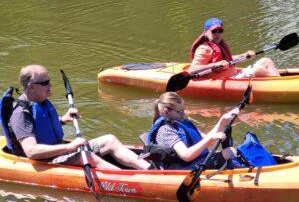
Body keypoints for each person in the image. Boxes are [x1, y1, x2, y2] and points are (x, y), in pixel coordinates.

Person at [3, 65, 150, 170]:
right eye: (44, 83)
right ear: (31, 87)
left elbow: (41, 126)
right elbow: (31, 151)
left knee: (109, 140)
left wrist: (63, 119)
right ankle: (127, 181)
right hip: (45, 161)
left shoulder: (39, 102)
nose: (50, 85)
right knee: (86, 156)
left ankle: (150, 169)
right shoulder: (20, 114)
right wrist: (68, 146)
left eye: (49, 80)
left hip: (58, 149)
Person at [145, 91, 238, 170]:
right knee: (229, 152)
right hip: (184, 170)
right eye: (180, 111)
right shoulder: (165, 131)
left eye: (183, 110)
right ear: (166, 112)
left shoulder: (182, 123)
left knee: (230, 151)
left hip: (198, 162)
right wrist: (209, 138)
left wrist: (223, 121)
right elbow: (186, 155)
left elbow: (209, 142)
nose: (183, 114)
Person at [189, 17, 280, 78]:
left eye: (220, 30)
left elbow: (228, 60)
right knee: (259, 69)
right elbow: (192, 70)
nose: (217, 34)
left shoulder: (218, 44)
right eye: (213, 31)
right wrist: (216, 64)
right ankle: (280, 86)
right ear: (206, 32)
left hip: (234, 73)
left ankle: (278, 81)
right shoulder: (204, 48)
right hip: (227, 79)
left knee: (267, 61)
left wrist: (245, 55)